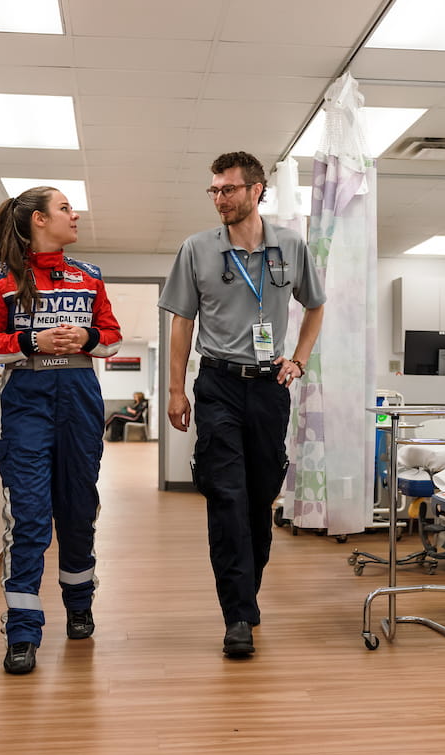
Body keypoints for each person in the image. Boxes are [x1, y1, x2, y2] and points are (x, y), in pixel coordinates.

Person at [158, 151, 325, 658]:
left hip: (270, 385)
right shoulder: (196, 249)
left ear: (256, 191)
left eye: (227, 189)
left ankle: (245, 597)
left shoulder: (291, 247)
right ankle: (236, 615)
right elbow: (182, 321)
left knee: (259, 497)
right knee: (226, 495)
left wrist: (298, 360)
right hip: (218, 384)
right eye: (213, 190)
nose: (219, 198)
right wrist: (175, 389)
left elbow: (315, 306)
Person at [0, 186, 122, 675]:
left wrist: (89, 337)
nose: (74, 215)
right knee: (31, 518)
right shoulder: (0, 278)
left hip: (78, 396)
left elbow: (113, 338)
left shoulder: (90, 276)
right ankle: (22, 632)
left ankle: (80, 604)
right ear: (38, 220)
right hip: (27, 401)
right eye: (63, 209)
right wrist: (30, 339)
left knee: (78, 510)